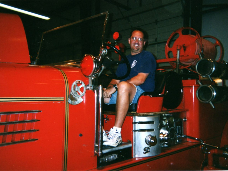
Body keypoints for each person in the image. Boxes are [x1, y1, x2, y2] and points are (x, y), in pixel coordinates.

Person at [103, 28, 156, 147]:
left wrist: (115, 88)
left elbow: (140, 79)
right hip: (123, 91)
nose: (136, 41)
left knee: (123, 85)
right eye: (134, 38)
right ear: (129, 40)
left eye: (140, 39)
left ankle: (116, 133)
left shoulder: (147, 56)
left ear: (144, 43)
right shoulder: (125, 60)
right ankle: (100, 131)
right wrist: (108, 89)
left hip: (142, 93)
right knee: (95, 93)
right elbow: (115, 79)